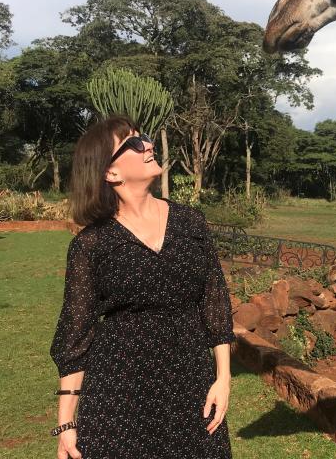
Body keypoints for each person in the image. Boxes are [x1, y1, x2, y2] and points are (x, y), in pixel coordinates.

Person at [50, 114, 235, 458]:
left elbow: (214, 298)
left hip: (191, 382)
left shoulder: (189, 222)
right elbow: (76, 335)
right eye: (134, 143)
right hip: (119, 396)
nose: (147, 145)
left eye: (145, 137)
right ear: (111, 172)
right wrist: (66, 425)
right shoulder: (92, 245)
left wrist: (223, 377)